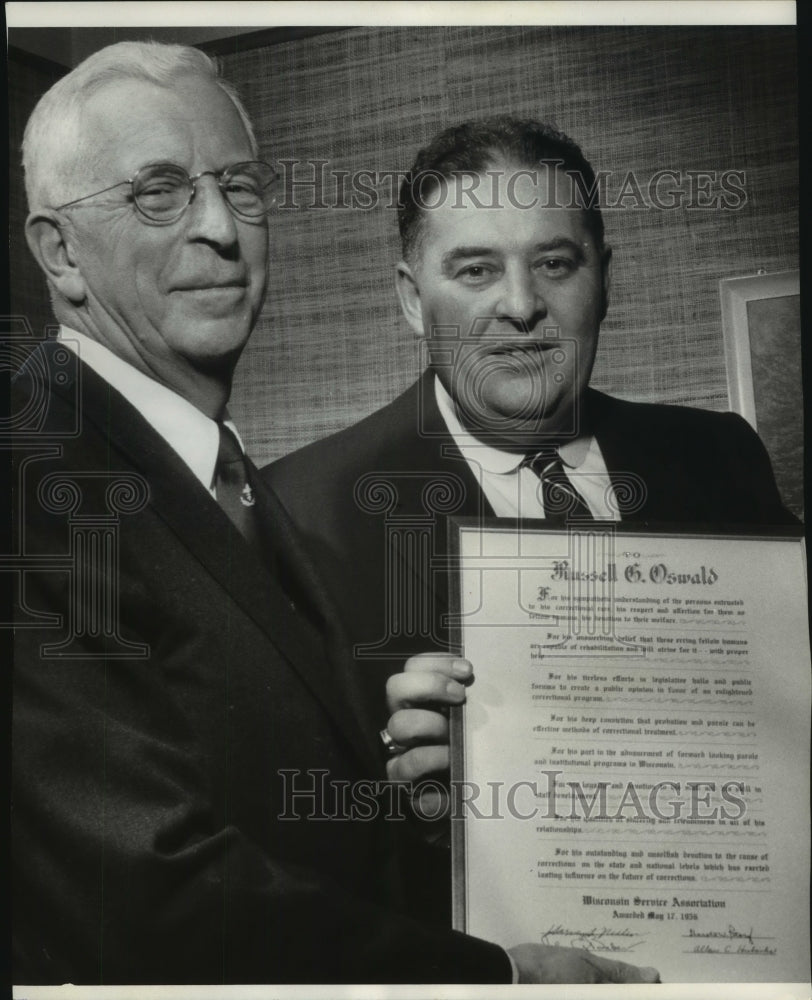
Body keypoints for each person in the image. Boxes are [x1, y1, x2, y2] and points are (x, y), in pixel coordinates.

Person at [11, 46, 659, 987]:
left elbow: (288, 823)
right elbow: (145, 898)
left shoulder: (226, 479)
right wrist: (495, 980)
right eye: (159, 193)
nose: (221, 229)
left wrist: (428, 792)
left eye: (240, 185)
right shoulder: (32, 473)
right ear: (59, 252)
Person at [265, 116, 797, 913]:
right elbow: (273, 850)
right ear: (413, 300)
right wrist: (397, 794)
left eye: (554, 262)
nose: (521, 306)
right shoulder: (297, 516)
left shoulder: (720, 458)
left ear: (604, 278)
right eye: (475, 270)